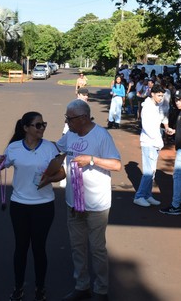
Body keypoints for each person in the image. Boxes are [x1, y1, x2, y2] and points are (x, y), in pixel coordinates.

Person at [57, 99, 122, 300]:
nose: (67, 122)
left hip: (96, 204)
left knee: (97, 249)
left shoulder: (101, 135)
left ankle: (101, 290)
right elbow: (56, 149)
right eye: (67, 118)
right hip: (73, 202)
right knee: (77, 247)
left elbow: (116, 165)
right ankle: (82, 285)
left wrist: (91, 160)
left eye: (70, 118)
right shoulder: (69, 135)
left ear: (83, 118)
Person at [4, 112, 65, 301]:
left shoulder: (49, 148)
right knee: (21, 247)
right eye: (38, 125)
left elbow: (61, 173)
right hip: (19, 205)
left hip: (43, 206)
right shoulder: (13, 148)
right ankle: (18, 287)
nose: (42, 128)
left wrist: (48, 179)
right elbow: (0, 165)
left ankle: (40, 288)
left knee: (39, 248)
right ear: (26, 128)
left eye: (43, 124)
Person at [133, 85, 172, 207]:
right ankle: (139, 196)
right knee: (148, 172)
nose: (161, 98)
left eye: (162, 95)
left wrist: (166, 128)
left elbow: (163, 117)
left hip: (156, 142)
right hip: (149, 142)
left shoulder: (157, 105)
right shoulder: (147, 107)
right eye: (159, 95)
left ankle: (147, 195)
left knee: (153, 172)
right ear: (152, 94)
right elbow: (146, 127)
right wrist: (157, 141)